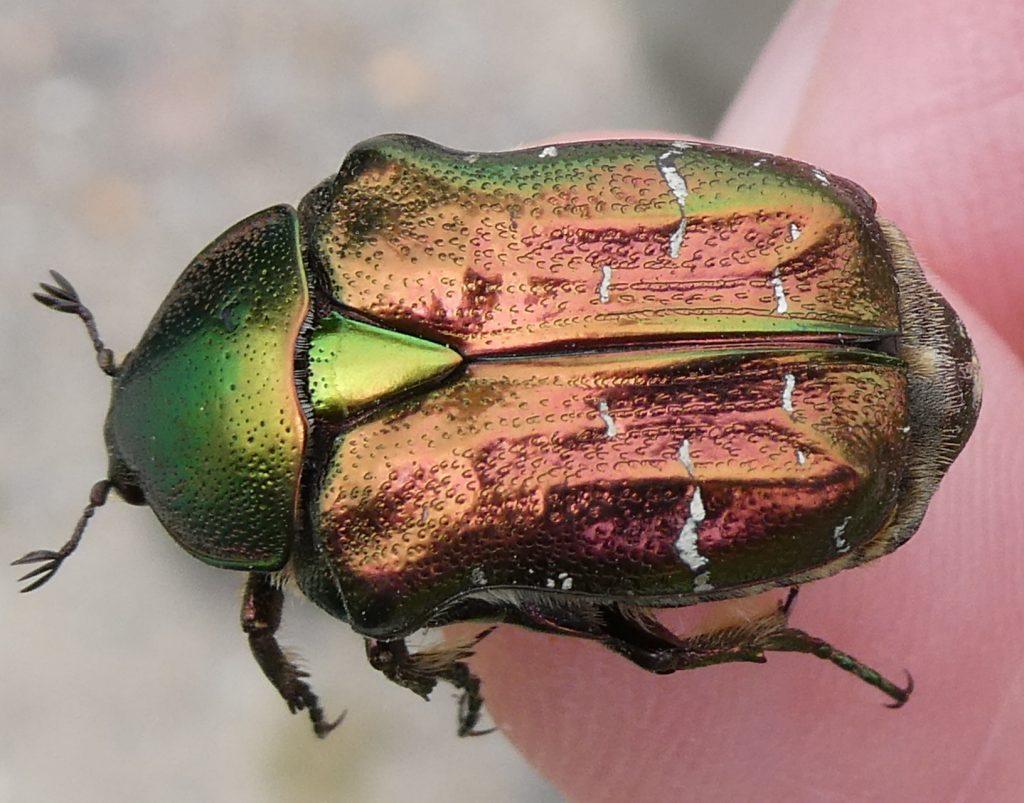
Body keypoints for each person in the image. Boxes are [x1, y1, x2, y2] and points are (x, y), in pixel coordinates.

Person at [470, 1, 1024, 799]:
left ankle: (781, 640)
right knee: (624, 637)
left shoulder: (361, 533)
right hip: (801, 268)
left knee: (634, 645)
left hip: (830, 379)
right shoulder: (371, 210)